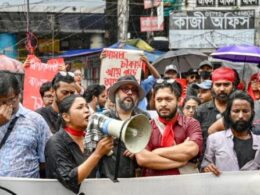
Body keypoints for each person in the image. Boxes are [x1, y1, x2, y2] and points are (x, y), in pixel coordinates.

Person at [45, 95, 113, 193]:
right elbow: (69, 180)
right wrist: (97, 154)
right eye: (80, 107)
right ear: (66, 117)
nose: (87, 110)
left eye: (86, 106)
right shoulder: (55, 143)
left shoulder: (89, 138)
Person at [136, 79, 202, 176]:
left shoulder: (191, 123)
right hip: (153, 187)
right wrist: (180, 162)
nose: (163, 104)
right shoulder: (145, 127)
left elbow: (191, 150)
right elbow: (142, 158)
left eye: (168, 99)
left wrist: (156, 152)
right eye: (159, 100)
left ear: (179, 100)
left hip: (184, 187)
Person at [0, 71, 51, 178]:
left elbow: (46, 160)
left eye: (10, 100)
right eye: (0, 102)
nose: (4, 106)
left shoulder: (36, 120)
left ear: (19, 94)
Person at [98, 75, 150, 178]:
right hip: (107, 183)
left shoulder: (145, 118)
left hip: (136, 183)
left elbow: (152, 145)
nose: (130, 93)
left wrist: (140, 149)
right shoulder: (103, 118)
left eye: (134, 90)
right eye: (125, 89)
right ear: (116, 93)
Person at [201, 91, 260, 175]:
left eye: (245, 111)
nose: (240, 116)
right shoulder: (214, 139)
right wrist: (207, 168)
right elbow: (204, 167)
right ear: (228, 114)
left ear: (252, 114)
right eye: (236, 111)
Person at [194, 67, 236, 146]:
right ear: (212, 87)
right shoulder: (200, 111)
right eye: (218, 85)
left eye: (226, 84)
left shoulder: (240, 110)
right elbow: (194, 140)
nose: (222, 89)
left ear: (233, 86)